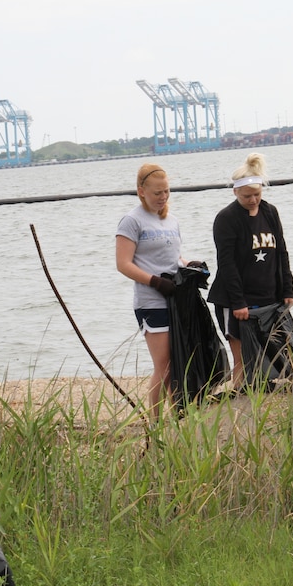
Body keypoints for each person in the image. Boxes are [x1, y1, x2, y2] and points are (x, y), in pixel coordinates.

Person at [207, 153, 293, 389]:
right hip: (235, 299)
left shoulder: (270, 212)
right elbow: (226, 264)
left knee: (276, 354)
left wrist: (288, 289)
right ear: (235, 192)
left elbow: (281, 252)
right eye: (247, 196)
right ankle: (237, 398)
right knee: (242, 361)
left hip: (269, 296)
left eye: (257, 194)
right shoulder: (226, 219)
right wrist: (238, 303)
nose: (253, 200)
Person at [115, 163, 190, 412]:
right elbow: (123, 264)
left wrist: (190, 265)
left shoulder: (171, 220)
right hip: (151, 301)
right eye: (157, 193)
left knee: (179, 362)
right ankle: (155, 423)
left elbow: (174, 259)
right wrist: (155, 281)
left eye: (166, 191)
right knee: (165, 365)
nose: (163, 197)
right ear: (141, 192)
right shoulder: (131, 221)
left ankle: (177, 417)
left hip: (174, 298)